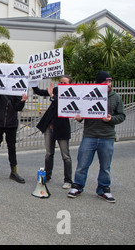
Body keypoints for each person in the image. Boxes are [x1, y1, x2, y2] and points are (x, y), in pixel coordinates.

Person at [68, 71, 125, 203]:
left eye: (110, 81)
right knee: (82, 164)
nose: (108, 84)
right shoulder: (89, 95)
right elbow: (81, 112)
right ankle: (78, 186)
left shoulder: (116, 97)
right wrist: (79, 118)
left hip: (107, 137)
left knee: (105, 166)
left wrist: (111, 119)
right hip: (90, 135)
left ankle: (103, 189)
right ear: (99, 83)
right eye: (106, 81)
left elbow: (122, 116)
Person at [32, 76, 73, 189]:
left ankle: (68, 180)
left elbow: (60, 104)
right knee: (49, 153)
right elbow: (39, 92)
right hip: (49, 127)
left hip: (62, 128)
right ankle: (47, 176)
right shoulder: (55, 90)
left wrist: (52, 97)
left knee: (66, 155)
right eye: (61, 82)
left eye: (65, 83)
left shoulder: (71, 94)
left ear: (70, 84)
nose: (62, 84)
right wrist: (33, 83)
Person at [0, 91, 28, 183]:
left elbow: (18, 108)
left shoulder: (16, 92)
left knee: (12, 148)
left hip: (11, 124)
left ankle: (14, 172)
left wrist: (22, 101)